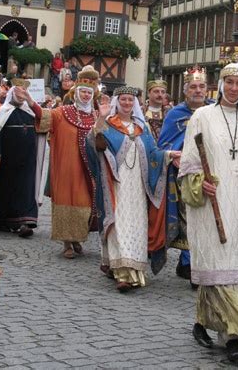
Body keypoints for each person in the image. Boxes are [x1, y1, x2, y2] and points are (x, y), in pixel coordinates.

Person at [178, 61, 238, 362]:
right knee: (214, 262)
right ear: (220, 85)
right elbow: (189, 160)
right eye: (229, 82)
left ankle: (203, 322)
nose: (234, 88)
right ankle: (236, 335)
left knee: (225, 269)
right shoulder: (203, 116)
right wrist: (198, 183)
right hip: (209, 205)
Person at [87, 86, 180, 292]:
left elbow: (153, 152)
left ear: (135, 103)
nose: (127, 103)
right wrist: (101, 120)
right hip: (116, 183)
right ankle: (123, 272)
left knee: (137, 224)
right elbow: (94, 145)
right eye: (124, 100)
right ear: (117, 102)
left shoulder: (142, 127)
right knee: (118, 221)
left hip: (138, 185)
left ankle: (132, 267)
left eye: (130, 100)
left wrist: (168, 155)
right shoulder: (108, 124)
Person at [24, 66, 100, 259]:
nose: (85, 95)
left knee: (84, 203)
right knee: (66, 202)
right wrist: (30, 101)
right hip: (66, 168)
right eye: (82, 91)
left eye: (88, 92)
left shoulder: (96, 117)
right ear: (76, 93)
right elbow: (44, 115)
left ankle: (77, 238)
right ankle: (67, 242)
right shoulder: (63, 112)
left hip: (87, 170)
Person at [158, 67, 209, 280]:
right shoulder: (175, 114)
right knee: (188, 217)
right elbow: (164, 144)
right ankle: (189, 262)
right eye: (193, 87)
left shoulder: (215, 111)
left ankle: (197, 261)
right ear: (186, 90)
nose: (198, 90)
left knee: (206, 218)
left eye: (202, 86)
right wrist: (173, 155)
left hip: (210, 173)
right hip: (183, 175)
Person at [0, 80, 40, 237]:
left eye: (23, 93)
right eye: (18, 93)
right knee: (8, 190)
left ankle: (26, 222)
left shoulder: (30, 113)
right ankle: (6, 221)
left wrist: (30, 101)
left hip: (28, 160)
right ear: (12, 93)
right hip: (9, 161)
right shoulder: (4, 112)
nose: (20, 96)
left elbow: (43, 120)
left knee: (27, 189)